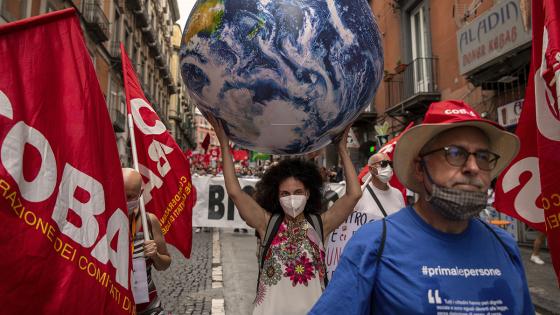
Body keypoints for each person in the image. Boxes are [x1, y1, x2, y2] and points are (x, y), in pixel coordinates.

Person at [310, 100, 534, 314]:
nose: (473, 167)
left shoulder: (505, 246)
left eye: (483, 156)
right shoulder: (372, 245)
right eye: (454, 153)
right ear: (420, 167)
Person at [206, 114, 362, 315]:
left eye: (298, 192)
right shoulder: (266, 223)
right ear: (276, 196)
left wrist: (342, 150)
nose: (292, 198)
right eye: (285, 194)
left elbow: (354, 194)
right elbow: (235, 192)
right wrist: (225, 147)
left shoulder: (320, 224)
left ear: (308, 193)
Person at [123, 168, 172, 315]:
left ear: (140, 194)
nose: (124, 200)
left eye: (130, 196)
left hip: (148, 306)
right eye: (120, 194)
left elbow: (165, 263)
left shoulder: (149, 222)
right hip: (114, 304)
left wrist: (155, 255)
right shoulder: (102, 220)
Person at [356, 152, 405, 220]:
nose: (388, 167)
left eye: (390, 164)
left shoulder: (398, 194)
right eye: (383, 163)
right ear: (371, 169)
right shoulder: (359, 194)